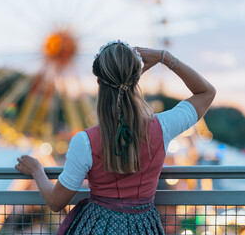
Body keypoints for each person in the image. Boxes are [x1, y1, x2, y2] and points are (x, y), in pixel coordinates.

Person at [15, 40, 216, 234]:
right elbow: (206, 92)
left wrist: (37, 169)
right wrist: (165, 57)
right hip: (144, 226)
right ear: (137, 80)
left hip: (97, 226)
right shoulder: (163, 127)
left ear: (98, 82)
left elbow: (56, 202)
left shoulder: (84, 141)